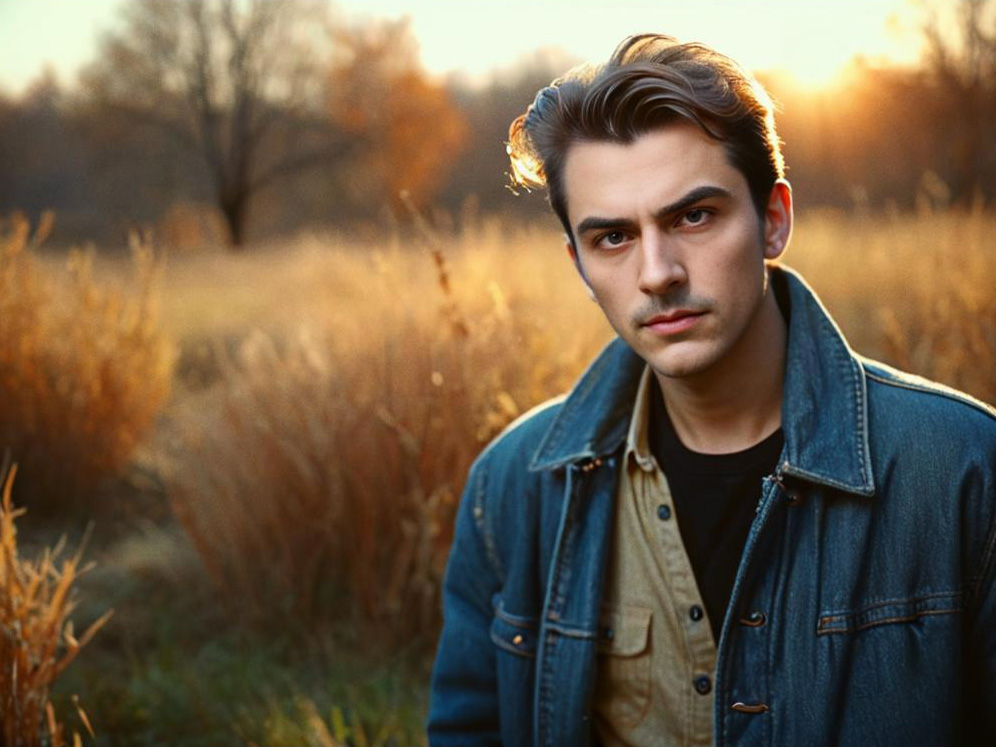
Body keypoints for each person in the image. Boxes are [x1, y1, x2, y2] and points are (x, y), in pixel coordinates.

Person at [427, 33, 996, 746]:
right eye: (612, 237)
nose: (657, 271)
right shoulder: (511, 488)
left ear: (774, 219)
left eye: (692, 216)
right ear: (577, 262)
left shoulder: (963, 471)